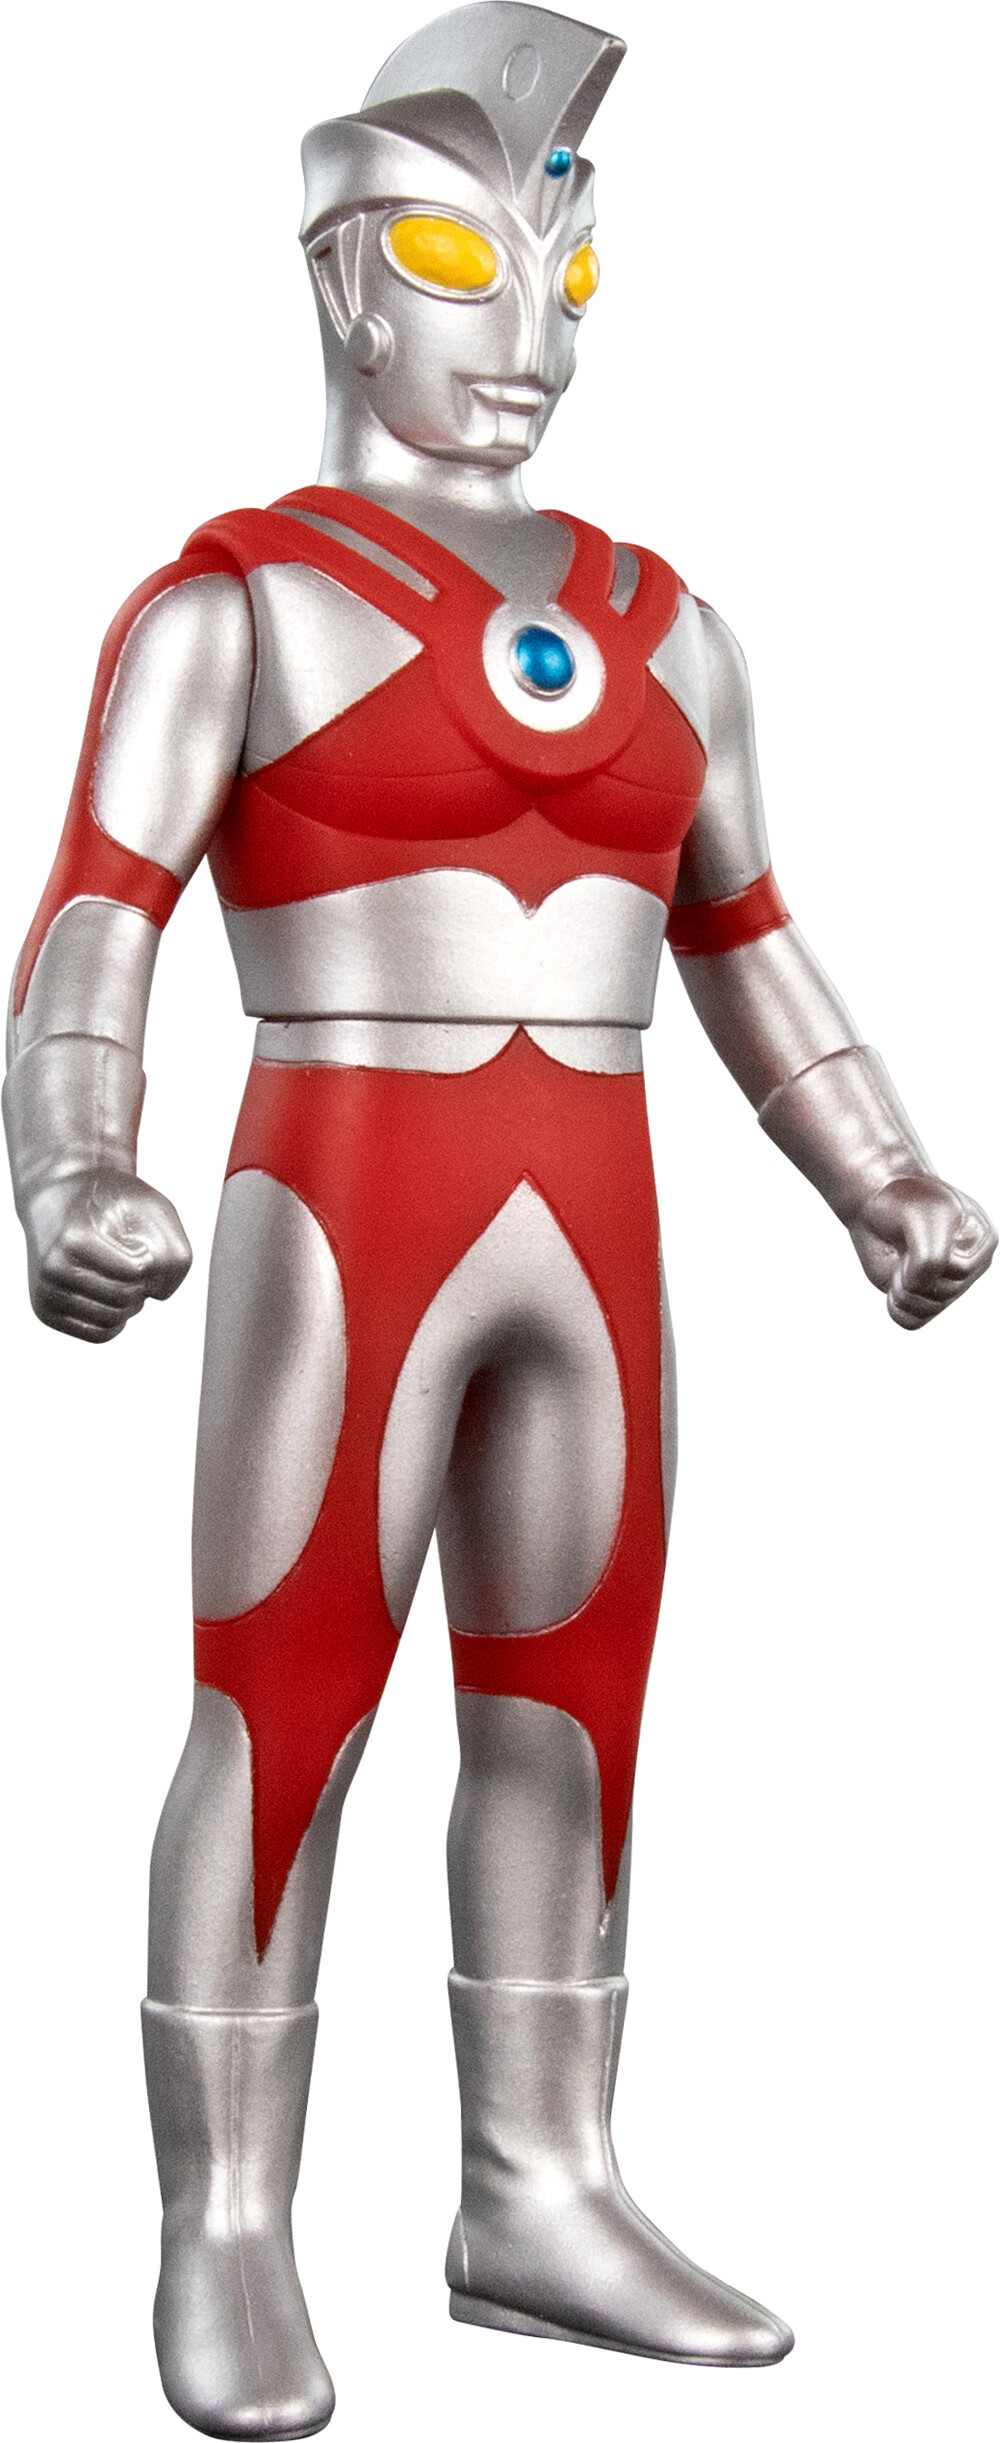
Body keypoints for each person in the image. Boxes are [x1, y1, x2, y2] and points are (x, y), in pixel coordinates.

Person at [3, 7, 994, 2436]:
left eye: (570, 263)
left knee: (571, 1698)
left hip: (598, 1211)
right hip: (342, 1188)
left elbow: (747, 939)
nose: (527, 327)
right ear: (340, 280)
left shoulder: (666, 617)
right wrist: (69, 1159)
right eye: (460, 262)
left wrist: (877, 1169)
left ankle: (536, 2185)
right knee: (284, 1701)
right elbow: (100, 910)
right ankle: (225, 2226)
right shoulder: (233, 601)